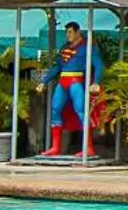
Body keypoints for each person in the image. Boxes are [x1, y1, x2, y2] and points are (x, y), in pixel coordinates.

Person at [40, 22, 103, 157]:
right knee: (55, 110)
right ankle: (55, 147)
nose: (67, 35)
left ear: (77, 32)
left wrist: (97, 81)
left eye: (70, 32)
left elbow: (98, 64)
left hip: (76, 81)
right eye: (66, 32)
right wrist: (44, 81)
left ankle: (88, 147)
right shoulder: (65, 48)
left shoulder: (88, 46)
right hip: (63, 82)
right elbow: (58, 67)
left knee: (81, 111)